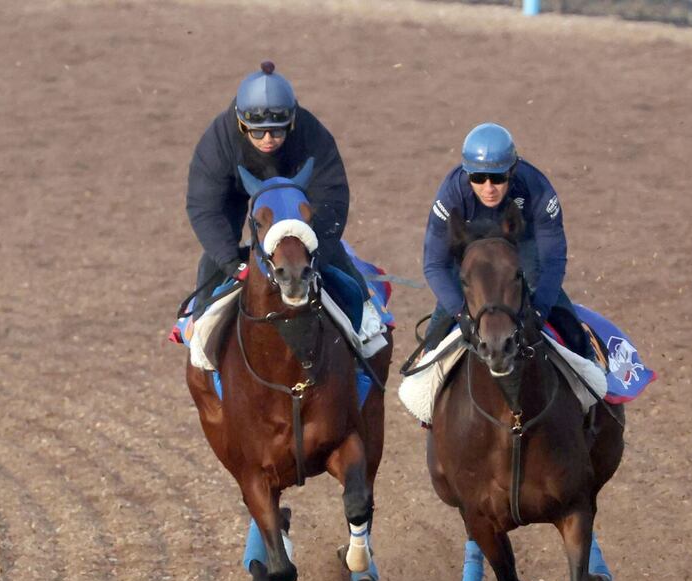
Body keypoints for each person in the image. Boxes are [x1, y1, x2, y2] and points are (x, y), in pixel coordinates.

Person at [186, 60, 380, 334]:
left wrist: (317, 250)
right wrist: (232, 262)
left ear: (291, 124)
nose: (268, 139)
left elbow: (331, 197)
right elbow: (205, 208)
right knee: (213, 258)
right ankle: (200, 327)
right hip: (235, 192)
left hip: (297, 191)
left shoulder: (312, 133)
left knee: (333, 254)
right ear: (241, 125)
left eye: (277, 131)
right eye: (257, 132)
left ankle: (367, 318)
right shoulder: (218, 141)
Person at [422, 122, 594, 359]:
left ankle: (591, 370)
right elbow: (435, 265)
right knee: (434, 337)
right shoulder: (451, 195)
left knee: (569, 324)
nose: (488, 188)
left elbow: (552, 261)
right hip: (471, 257)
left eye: (498, 177)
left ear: (512, 170)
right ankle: (423, 370)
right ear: (466, 174)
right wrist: (459, 313)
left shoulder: (537, 188)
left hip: (523, 251)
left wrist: (540, 310)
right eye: (478, 178)